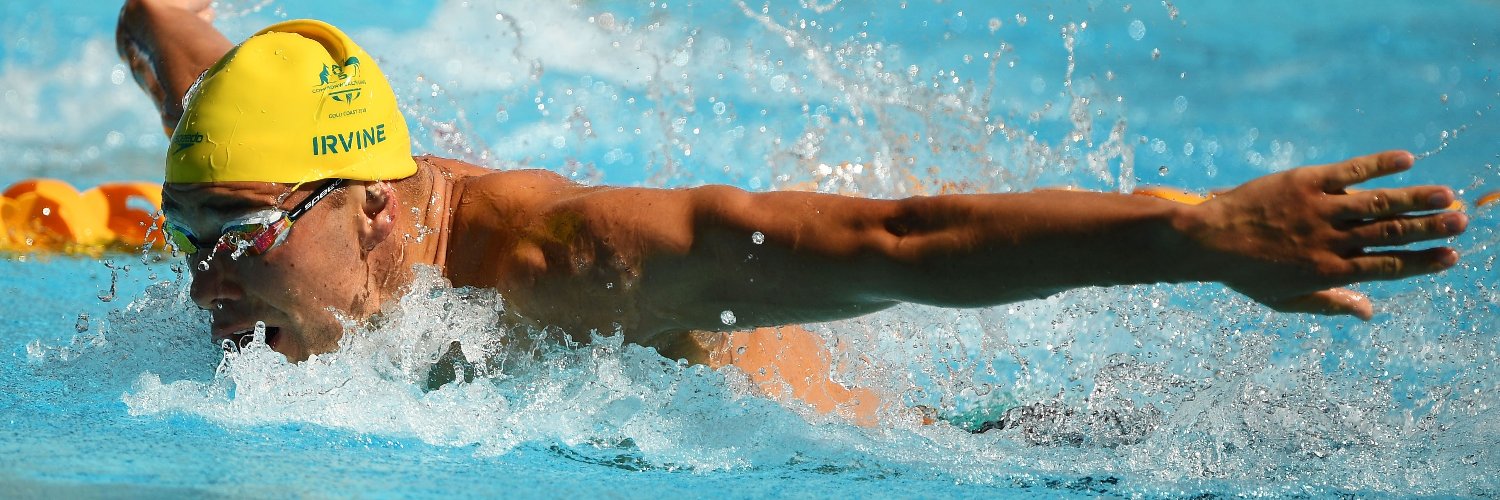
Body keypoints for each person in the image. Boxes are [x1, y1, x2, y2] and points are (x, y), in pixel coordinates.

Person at [117, 0, 1468, 424]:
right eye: (188, 236)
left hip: (881, 449)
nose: (202, 286)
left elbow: (892, 242)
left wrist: (1191, 237)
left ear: (372, 207)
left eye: (234, 239)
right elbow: (177, 43)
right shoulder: (276, 182)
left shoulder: (563, 261)